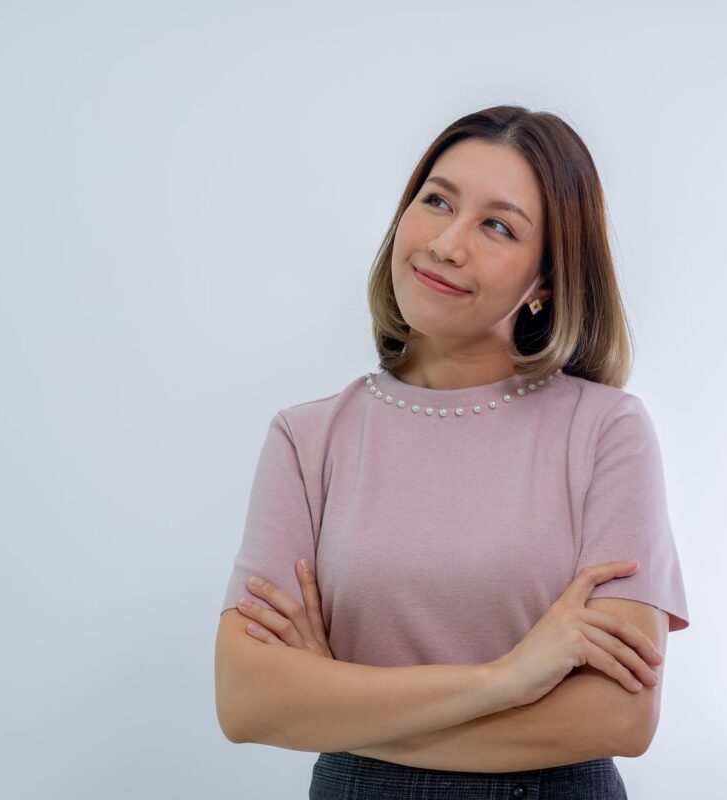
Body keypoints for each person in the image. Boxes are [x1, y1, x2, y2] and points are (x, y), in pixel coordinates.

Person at [215, 104, 690, 799]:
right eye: (437, 201)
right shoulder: (307, 437)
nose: (447, 243)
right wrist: (505, 680)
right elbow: (247, 701)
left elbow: (619, 715)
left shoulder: (605, 431)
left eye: (498, 226)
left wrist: (339, 703)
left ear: (547, 282)